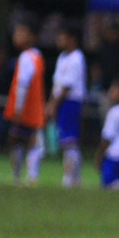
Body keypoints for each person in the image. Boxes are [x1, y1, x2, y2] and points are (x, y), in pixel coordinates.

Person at [4, 15, 46, 186]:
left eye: (21, 32)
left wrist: (18, 109)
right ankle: (31, 176)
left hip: (25, 109)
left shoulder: (25, 58)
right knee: (31, 142)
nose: (16, 36)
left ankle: (21, 176)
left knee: (21, 142)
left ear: (32, 37)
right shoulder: (37, 56)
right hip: (33, 109)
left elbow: (22, 85)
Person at [46, 22, 87, 187]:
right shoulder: (62, 58)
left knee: (69, 140)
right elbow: (57, 84)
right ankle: (74, 176)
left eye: (62, 37)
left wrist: (53, 105)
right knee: (65, 140)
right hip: (61, 101)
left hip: (70, 101)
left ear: (72, 39)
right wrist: (51, 102)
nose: (59, 40)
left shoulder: (76, 58)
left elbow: (66, 86)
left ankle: (71, 177)